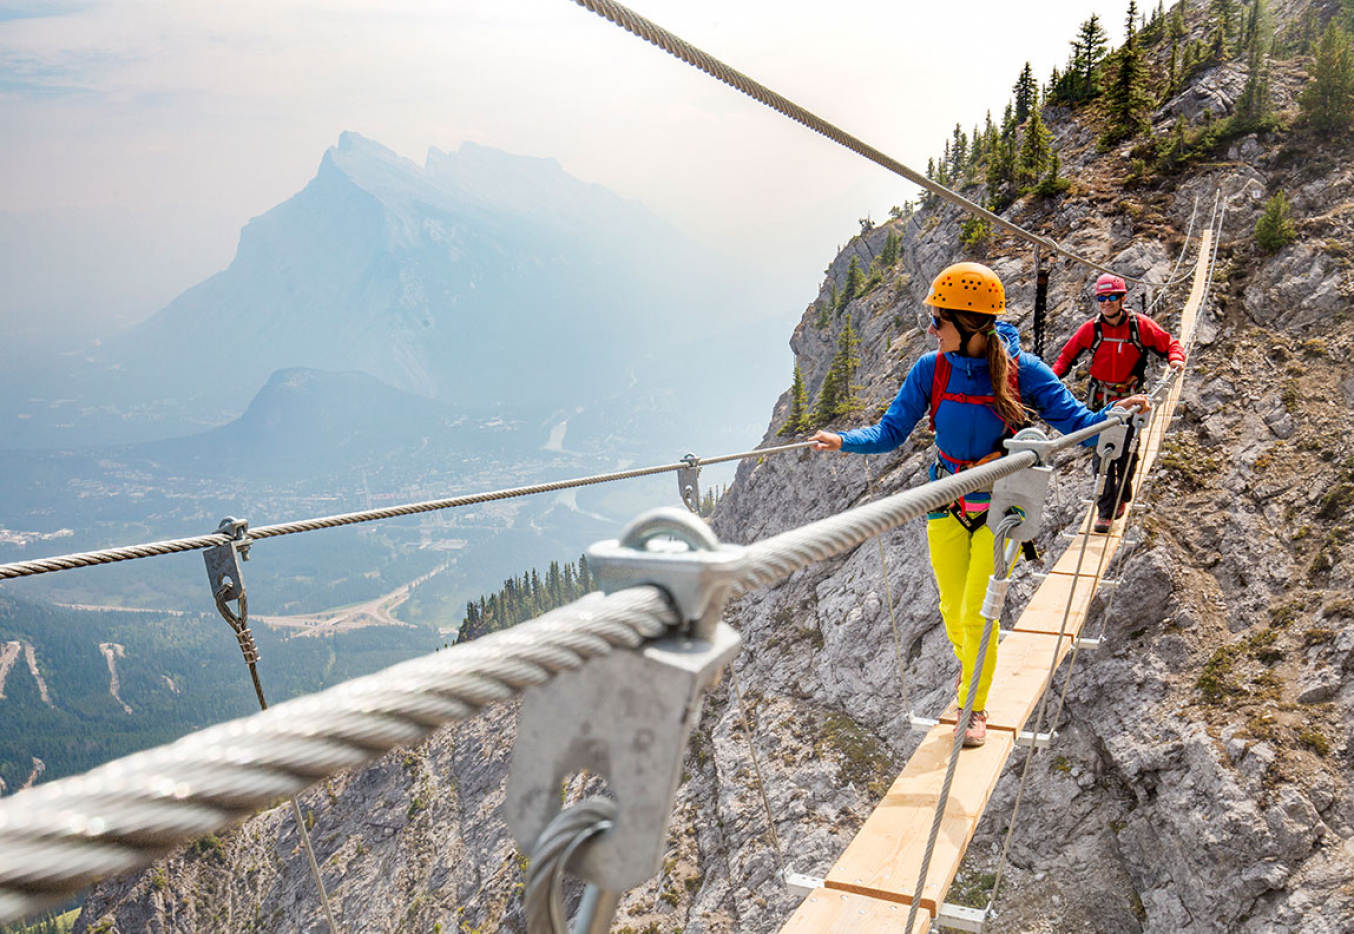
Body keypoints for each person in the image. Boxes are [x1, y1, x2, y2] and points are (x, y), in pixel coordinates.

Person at [809, 261, 1148, 748]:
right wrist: (843, 441)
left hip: (1000, 509)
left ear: (968, 323)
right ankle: (972, 671)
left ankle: (974, 706)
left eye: (938, 320)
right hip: (946, 503)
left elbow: (1077, 424)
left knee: (976, 615)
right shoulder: (930, 369)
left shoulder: (1022, 372)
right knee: (952, 611)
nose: (931, 330)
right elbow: (890, 432)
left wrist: (1114, 416)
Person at [1051, 273, 1185, 534]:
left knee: (1127, 455)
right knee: (1101, 457)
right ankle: (1105, 512)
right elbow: (1066, 357)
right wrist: (1048, 381)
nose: (1107, 302)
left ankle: (1122, 496)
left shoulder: (1140, 326)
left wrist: (1176, 359)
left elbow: (1169, 344)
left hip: (1132, 399)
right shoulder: (1091, 330)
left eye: (1112, 297)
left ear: (1123, 298)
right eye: (1102, 298)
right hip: (1101, 401)